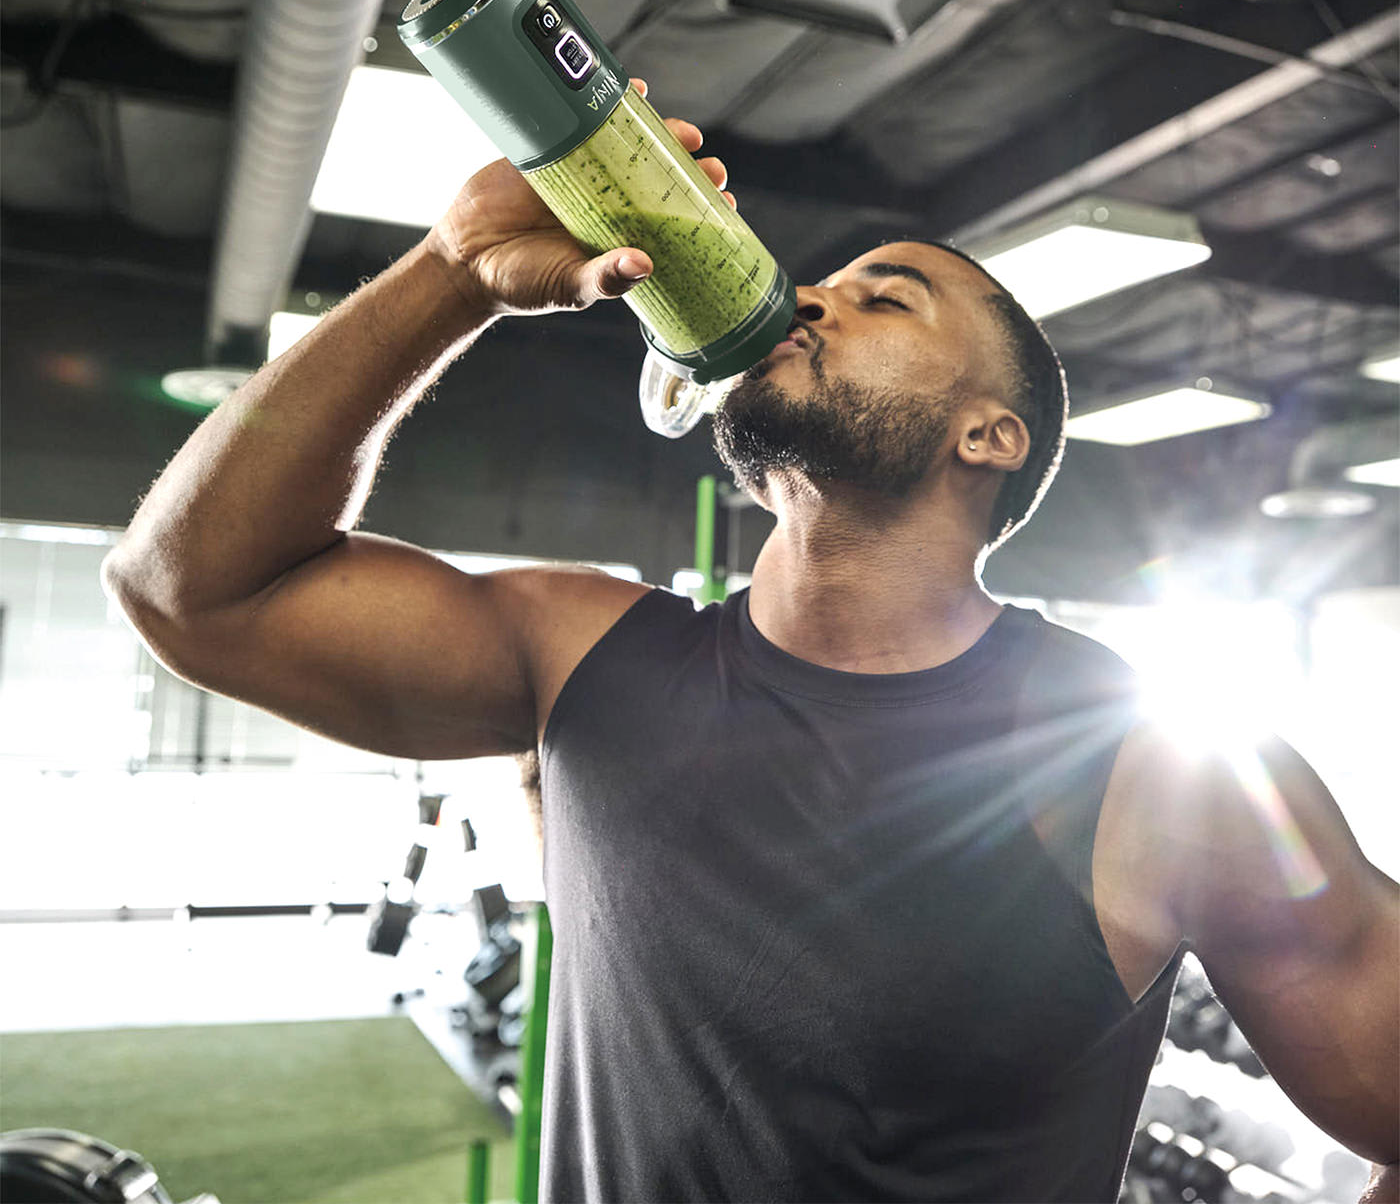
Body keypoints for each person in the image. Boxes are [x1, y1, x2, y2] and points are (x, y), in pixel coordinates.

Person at [103, 77, 1398, 1203]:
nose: (812, 303)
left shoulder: (1161, 777)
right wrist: (453, 270)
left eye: (882, 299)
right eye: (824, 284)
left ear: (986, 436)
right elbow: (190, 589)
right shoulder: (581, 657)